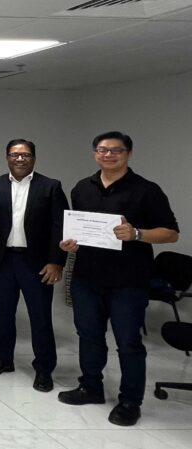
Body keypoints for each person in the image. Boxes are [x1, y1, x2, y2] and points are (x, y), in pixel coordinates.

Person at [59, 131, 178, 426]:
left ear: (128, 154)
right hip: (87, 277)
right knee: (88, 336)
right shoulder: (81, 188)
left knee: (128, 343)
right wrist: (71, 244)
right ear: (95, 153)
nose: (108, 155)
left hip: (128, 280)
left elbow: (171, 233)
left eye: (116, 150)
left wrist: (137, 233)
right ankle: (91, 387)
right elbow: (81, 230)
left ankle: (130, 401)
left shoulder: (146, 190)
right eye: (102, 150)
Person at [0, 139, 68, 392]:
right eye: (14, 154)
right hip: (4, 260)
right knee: (3, 314)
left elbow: (61, 226)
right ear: (7, 157)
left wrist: (56, 262)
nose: (19, 159)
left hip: (37, 262)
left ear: (33, 158)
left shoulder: (50, 186)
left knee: (40, 317)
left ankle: (44, 369)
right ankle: (3, 360)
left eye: (25, 155)